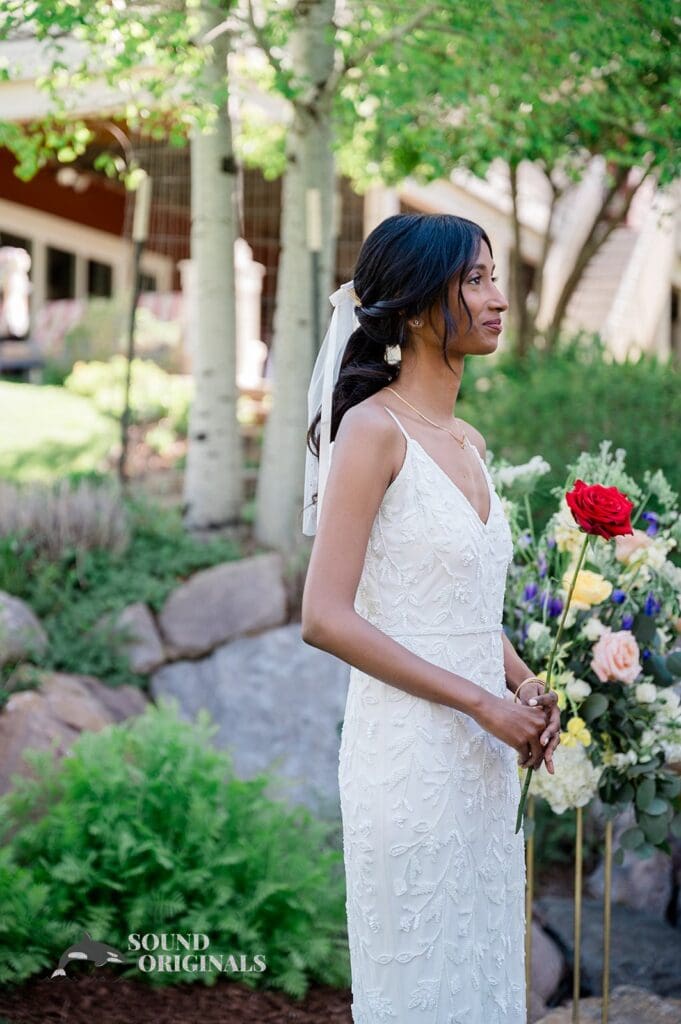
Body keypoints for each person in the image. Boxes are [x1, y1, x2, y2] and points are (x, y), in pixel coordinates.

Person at [300, 213, 560, 1024]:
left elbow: (462, 607)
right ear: (415, 308)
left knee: (480, 975)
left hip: (483, 763)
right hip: (409, 755)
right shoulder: (371, 432)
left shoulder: (467, 439)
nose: (497, 299)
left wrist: (520, 684)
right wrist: (481, 700)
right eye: (474, 280)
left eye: (492, 277)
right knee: (421, 985)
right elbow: (324, 617)